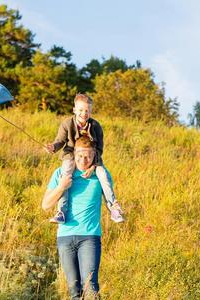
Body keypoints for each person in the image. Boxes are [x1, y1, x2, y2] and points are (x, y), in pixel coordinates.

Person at [42, 136, 110, 299]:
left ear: (94, 155)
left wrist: (117, 209)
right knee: (74, 291)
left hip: (89, 237)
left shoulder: (100, 175)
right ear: (73, 153)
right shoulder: (60, 173)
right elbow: (45, 205)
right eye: (79, 155)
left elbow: (110, 199)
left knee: (90, 287)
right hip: (64, 237)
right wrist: (61, 186)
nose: (83, 160)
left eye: (88, 156)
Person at [44, 93, 124, 224]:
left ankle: (114, 208)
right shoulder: (66, 124)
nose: (84, 113)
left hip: (93, 159)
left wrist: (93, 166)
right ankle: (61, 212)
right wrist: (53, 147)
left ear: (91, 111)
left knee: (103, 175)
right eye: (80, 110)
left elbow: (99, 149)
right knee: (66, 176)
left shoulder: (96, 126)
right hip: (71, 155)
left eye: (87, 110)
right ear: (74, 110)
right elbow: (60, 141)